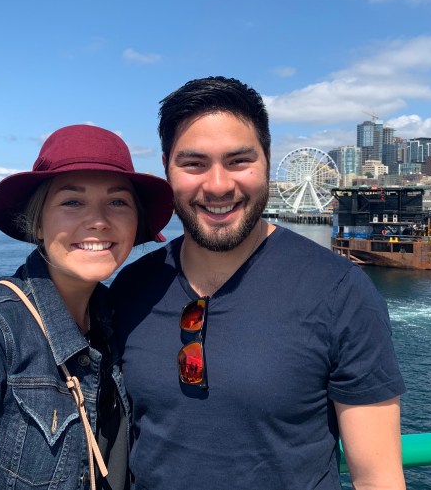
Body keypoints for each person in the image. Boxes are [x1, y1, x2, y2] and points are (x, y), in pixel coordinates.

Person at [110, 77, 407, 490]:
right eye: (194, 164)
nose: (218, 185)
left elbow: (377, 480)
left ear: (267, 159)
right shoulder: (131, 289)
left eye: (238, 161)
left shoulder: (340, 291)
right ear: (166, 169)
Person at [0, 125, 174, 490]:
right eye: (72, 202)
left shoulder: (118, 319)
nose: (99, 221)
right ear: (38, 223)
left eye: (118, 202)